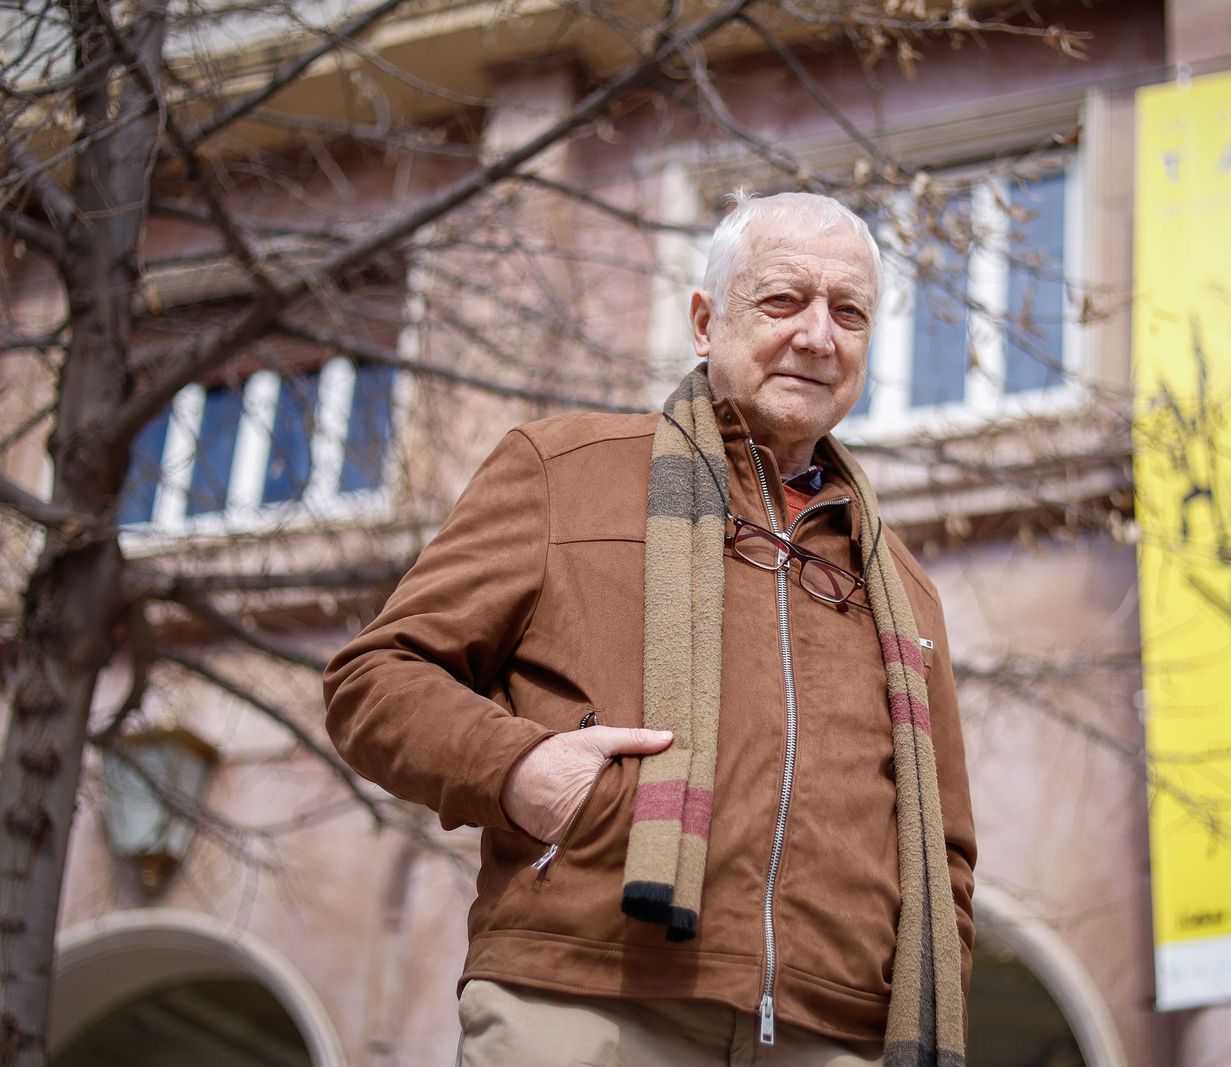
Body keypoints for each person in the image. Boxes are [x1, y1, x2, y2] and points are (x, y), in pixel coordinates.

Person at [324, 191, 976, 1067]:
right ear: (706, 321)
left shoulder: (902, 584)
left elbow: (948, 854)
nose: (819, 335)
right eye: (784, 299)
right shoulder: (565, 471)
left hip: (835, 1035)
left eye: (848, 312)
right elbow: (377, 679)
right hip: (590, 998)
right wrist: (524, 773)